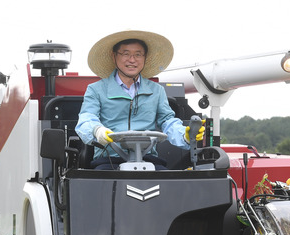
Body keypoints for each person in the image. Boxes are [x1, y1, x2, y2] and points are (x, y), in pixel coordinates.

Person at [75, 30, 203, 169]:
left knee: (168, 183)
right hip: (109, 160)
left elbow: (167, 122)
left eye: (138, 54)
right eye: (125, 54)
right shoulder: (95, 90)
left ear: (145, 57)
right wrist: (97, 130)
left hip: (148, 159)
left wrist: (184, 135)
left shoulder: (157, 90)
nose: (132, 60)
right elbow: (86, 119)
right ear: (114, 56)